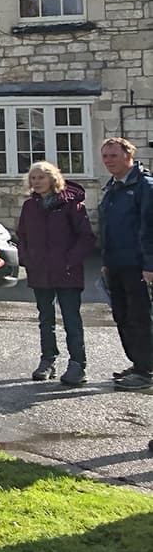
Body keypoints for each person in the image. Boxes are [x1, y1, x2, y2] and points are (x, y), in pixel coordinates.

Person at [16, 160, 96, 385]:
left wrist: (69, 261)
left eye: (41, 177)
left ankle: (78, 364)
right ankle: (47, 361)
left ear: (53, 179)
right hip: (40, 272)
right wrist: (26, 259)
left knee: (71, 319)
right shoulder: (29, 207)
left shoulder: (71, 204)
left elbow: (86, 237)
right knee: (45, 319)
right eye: (33, 177)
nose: (36, 181)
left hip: (67, 273)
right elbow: (22, 236)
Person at [99, 138, 153, 390]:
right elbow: (108, 228)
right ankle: (137, 363)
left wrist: (149, 265)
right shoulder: (112, 187)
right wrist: (106, 262)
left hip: (138, 265)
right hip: (116, 264)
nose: (109, 160)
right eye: (106, 156)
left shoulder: (145, 187)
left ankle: (146, 371)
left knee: (141, 318)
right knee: (123, 316)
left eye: (114, 156)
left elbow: (149, 228)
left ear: (128, 156)